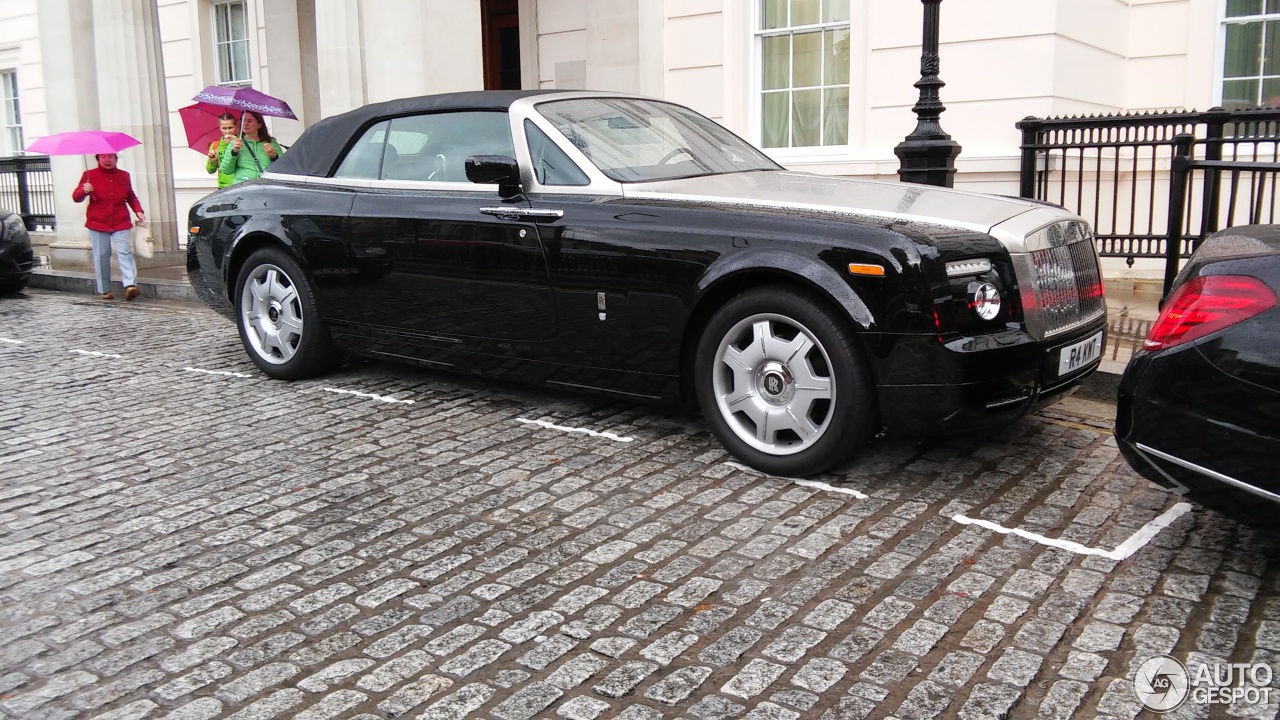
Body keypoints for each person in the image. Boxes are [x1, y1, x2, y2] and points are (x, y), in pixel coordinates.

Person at [71, 153, 145, 300]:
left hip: (120, 220)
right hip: (97, 222)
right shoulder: (89, 175)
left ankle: (130, 285)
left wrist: (138, 210)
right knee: (102, 255)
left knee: (125, 252)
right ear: (98, 159)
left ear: (116, 159)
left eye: (110, 157)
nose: (107, 160)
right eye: (103, 157)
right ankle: (105, 289)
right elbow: (76, 198)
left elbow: (130, 196)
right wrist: (83, 190)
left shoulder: (124, 176)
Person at [219, 111, 282, 184]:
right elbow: (226, 170)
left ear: (259, 125)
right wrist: (234, 152)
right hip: (243, 186)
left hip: (266, 186)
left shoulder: (271, 143)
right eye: (243, 121)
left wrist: (275, 156)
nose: (245, 124)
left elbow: (283, 168)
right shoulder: (235, 143)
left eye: (249, 121)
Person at [205, 112, 238, 188]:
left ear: (235, 126)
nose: (228, 131)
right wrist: (212, 161)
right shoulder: (215, 145)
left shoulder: (240, 142)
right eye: (224, 128)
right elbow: (210, 171)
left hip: (239, 184)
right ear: (219, 128)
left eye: (230, 127)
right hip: (223, 187)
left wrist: (234, 143)